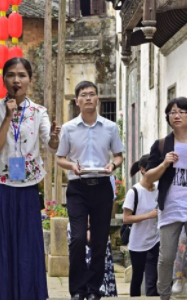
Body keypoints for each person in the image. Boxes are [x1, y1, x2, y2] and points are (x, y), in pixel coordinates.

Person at [0, 57, 61, 300]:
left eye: (21, 75)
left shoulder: (39, 111)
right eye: (11, 74)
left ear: (30, 80)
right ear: (4, 80)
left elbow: (51, 147)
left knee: (26, 245)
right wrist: (8, 117)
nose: (16, 80)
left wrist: (53, 137)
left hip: (27, 187)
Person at [56, 80, 124, 300]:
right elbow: (60, 158)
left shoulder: (110, 127)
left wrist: (112, 166)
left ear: (97, 99)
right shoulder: (68, 128)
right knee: (76, 238)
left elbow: (118, 155)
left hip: (102, 186)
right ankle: (77, 290)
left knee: (99, 240)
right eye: (83, 95)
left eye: (92, 94)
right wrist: (72, 166)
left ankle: (94, 290)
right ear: (77, 101)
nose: (88, 98)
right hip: (77, 187)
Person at [145, 97, 187, 300]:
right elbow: (148, 177)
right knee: (166, 257)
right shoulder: (161, 144)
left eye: (182, 112)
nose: (176, 115)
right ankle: (164, 295)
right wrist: (164, 164)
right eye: (172, 112)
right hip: (171, 206)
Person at [123, 154, 159, 297]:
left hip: (156, 239)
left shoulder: (159, 189)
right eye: (153, 168)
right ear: (143, 170)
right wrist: (147, 215)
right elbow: (126, 218)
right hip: (138, 241)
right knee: (137, 277)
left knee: (154, 277)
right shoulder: (134, 192)